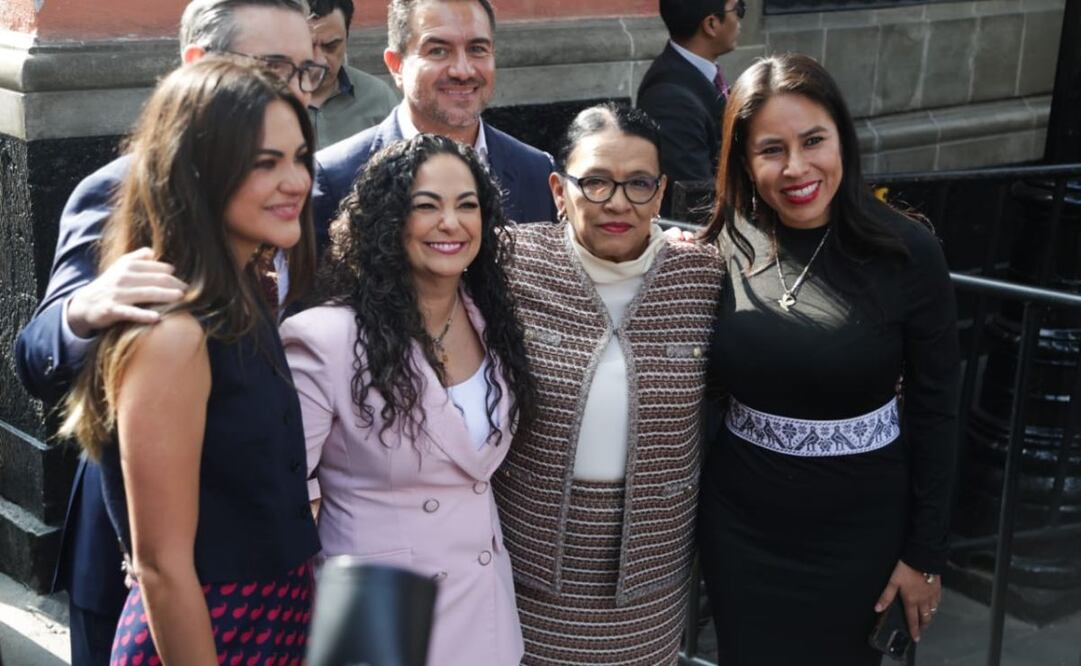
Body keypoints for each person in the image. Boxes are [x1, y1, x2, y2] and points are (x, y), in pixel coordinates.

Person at [10, 2, 322, 664]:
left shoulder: (266, 235)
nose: (293, 86)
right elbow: (37, 356)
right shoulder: (134, 226)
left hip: (268, 580)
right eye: (270, 67)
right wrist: (84, 310)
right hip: (183, 597)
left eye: (307, 68)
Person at [696, 53, 960, 665]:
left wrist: (925, 554)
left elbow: (938, 410)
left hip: (859, 539)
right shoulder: (723, 244)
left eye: (813, 140)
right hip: (741, 533)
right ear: (742, 159)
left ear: (843, 137)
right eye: (770, 150)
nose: (796, 168)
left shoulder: (907, 251)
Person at [282, 133, 536, 665]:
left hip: (485, 614)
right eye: (426, 206)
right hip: (382, 623)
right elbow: (283, 503)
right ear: (388, 221)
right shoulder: (324, 339)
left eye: (467, 205)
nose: (451, 223)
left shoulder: (495, 321)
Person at [491, 104, 723, 665]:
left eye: (639, 183)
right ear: (558, 188)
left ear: (661, 193)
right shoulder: (509, 262)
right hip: (528, 564)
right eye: (595, 181)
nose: (618, 202)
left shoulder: (701, 276)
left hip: (652, 572)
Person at [312, 0, 556, 251]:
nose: (463, 71)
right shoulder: (334, 178)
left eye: (477, 49)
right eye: (438, 50)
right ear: (396, 65)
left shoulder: (537, 173)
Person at [637, 0, 743, 222]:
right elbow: (695, 201)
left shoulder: (698, 75)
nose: (740, 20)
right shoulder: (670, 99)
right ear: (711, 24)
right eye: (739, 8)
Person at [307, 0, 400, 148]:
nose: (320, 60)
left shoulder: (378, 98)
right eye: (308, 47)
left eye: (331, 46)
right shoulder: (264, 100)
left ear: (346, 38)